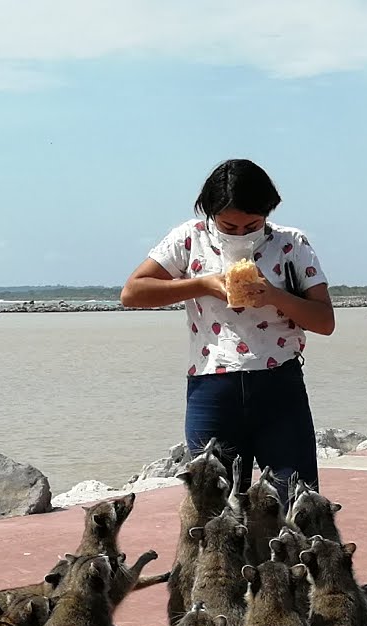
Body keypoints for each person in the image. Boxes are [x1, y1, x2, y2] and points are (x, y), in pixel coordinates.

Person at [120, 158, 335, 492]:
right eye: (228, 227)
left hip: (279, 386)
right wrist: (203, 284)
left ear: (267, 213)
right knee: (213, 504)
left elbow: (325, 321)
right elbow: (132, 293)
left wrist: (273, 296)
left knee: (294, 499)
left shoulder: (291, 243)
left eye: (252, 226)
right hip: (212, 387)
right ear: (211, 214)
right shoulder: (190, 238)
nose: (240, 234)